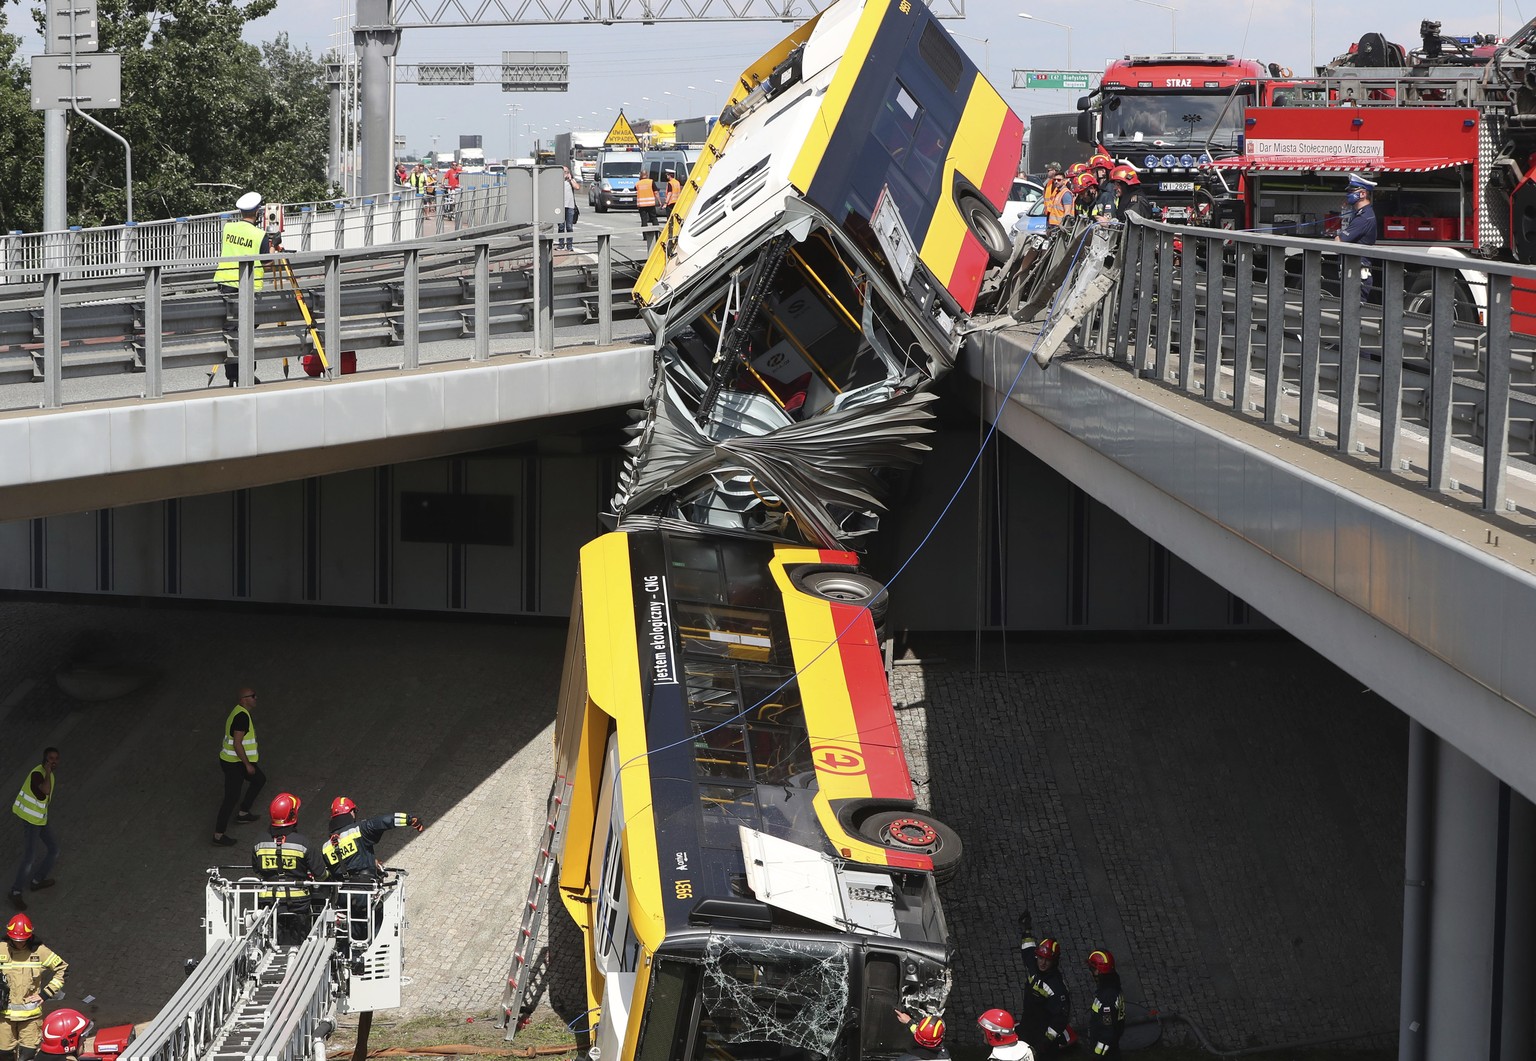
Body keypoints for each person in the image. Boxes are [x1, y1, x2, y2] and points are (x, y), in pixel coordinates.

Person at [320, 798, 424, 958]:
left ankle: (350, 963)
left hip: (345, 898)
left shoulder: (326, 847)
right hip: (365, 893)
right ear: (351, 813)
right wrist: (409, 819)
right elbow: (384, 821)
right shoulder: (358, 829)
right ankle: (375, 958)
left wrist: (371, 862)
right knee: (378, 923)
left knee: (350, 936)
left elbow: (343, 866)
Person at [213, 192, 281, 386]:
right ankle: (245, 374)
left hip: (226, 284)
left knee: (231, 330)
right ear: (258, 212)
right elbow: (268, 263)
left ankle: (233, 376)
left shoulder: (228, 228)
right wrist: (273, 245)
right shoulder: (259, 235)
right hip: (248, 287)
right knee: (247, 331)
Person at [252, 793, 321, 946]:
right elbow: (321, 873)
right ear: (292, 815)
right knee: (300, 942)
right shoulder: (303, 843)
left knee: (269, 939)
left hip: (268, 902)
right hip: (298, 904)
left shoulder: (259, 842)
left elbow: (256, 869)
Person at [0, 914, 67, 1061]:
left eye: (22, 940)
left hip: (30, 1019)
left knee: (27, 1056)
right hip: (3, 1018)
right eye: (15, 940)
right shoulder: (1, 949)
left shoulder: (40, 951)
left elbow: (62, 969)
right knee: (4, 1056)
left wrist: (45, 994)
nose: (18, 943)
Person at [212, 687, 265, 847]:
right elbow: (237, 743)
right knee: (231, 797)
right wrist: (247, 765)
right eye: (253, 696)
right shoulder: (241, 717)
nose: (256, 698)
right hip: (234, 763)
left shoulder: (239, 712)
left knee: (259, 779)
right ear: (244, 700)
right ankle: (218, 835)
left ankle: (243, 812)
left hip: (235, 761)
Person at [8, 750, 59, 913]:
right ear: (44, 759)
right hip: (31, 821)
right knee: (29, 858)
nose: (54, 761)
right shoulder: (38, 775)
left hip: (40, 819)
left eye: (56, 759)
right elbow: (44, 791)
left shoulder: (47, 775)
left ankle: (37, 881)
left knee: (54, 849)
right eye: (51, 758)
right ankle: (15, 892)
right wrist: (48, 771)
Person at [1020, 916, 1076, 1052]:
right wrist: (1027, 931)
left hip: (1041, 1037)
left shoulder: (1056, 988)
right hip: (1027, 1026)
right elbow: (1028, 949)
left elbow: (1060, 1019)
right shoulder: (1034, 966)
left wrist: (1045, 1042)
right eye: (1040, 958)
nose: (1042, 963)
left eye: (1047, 960)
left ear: (1054, 962)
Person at [1337, 173, 1378, 302]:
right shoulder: (1361, 213)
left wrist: (1338, 238)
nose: (1348, 194)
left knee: (1353, 310)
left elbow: (1339, 242)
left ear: (1363, 194)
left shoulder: (1363, 218)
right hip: (1354, 270)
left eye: (1352, 191)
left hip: (1357, 273)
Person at [1085, 949, 1126, 1059]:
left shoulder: (1107, 997)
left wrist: (1097, 1055)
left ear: (1098, 971)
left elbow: (1107, 1034)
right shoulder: (1113, 986)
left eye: (1092, 969)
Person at [1042, 163, 1072, 229]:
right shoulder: (1048, 183)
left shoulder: (1066, 185)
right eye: (1055, 180)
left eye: (1049, 170)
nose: (1056, 181)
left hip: (1060, 223)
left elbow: (1067, 210)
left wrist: (1064, 224)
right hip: (1050, 218)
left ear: (1055, 171)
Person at [559, 166, 581, 251]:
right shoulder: (558, 181)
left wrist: (571, 179)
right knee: (561, 226)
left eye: (566, 172)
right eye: (564, 172)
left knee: (569, 227)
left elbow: (577, 187)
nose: (565, 174)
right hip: (560, 206)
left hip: (570, 206)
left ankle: (569, 246)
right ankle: (561, 244)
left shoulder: (571, 181)